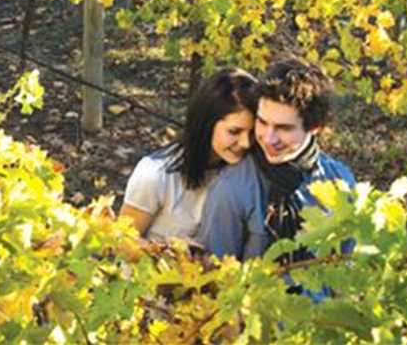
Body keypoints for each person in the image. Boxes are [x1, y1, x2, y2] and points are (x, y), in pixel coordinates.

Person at [195, 58, 356, 263]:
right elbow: (214, 273)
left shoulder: (340, 181)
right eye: (262, 122)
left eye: (284, 128)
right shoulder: (232, 188)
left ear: (315, 127)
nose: (268, 138)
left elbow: (346, 263)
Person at [119, 67, 259, 242]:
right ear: (207, 123)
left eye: (252, 132)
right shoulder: (154, 175)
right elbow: (123, 243)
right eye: (234, 131)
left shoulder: (249, 172)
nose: (246, 143)